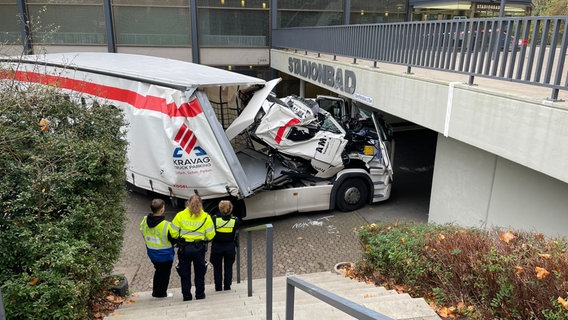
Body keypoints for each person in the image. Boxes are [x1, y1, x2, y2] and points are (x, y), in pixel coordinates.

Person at [170, 194, 215, 301]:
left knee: (185, 274)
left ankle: (187, 296)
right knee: (200, 273)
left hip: (184, 248)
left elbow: (173, 233)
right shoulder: (206, 217)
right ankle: (200, 295)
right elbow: (211, 235)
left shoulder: (180, 215)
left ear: (188, 203)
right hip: (199, 249)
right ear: (201, 204)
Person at [139, 198, 175, 298]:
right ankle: (161, 293)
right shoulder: (167, 225)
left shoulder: (144, 220)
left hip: (152, 253)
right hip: (165, 255)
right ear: (162, 209)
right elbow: (173, 239)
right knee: (164, 275)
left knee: (158, 271)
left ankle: (156, 292)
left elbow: (142, 231)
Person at [210, 200, 241, 291]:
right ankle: (227, 286)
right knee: (228, 267)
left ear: (220, 209)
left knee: (217, 267)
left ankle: (218, 286)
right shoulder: (235, 220)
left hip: (217, 246)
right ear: (230, 209)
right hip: (229, 246)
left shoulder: (215, 219)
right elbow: (237, 227)